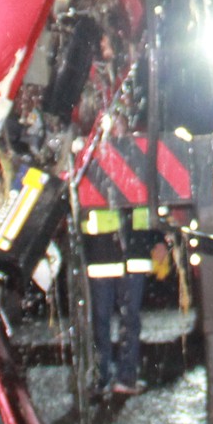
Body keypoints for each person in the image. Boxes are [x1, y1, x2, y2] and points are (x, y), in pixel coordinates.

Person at [77, 117, 168, 398]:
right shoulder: (90, 157)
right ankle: (101, 377)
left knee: (130, 320)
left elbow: (153, 200)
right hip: (103, 250)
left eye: (120, 125)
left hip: (133, 251)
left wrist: (159, 239)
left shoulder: (138, 156)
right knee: (100, 320)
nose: (116, 131)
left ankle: (124, 377)